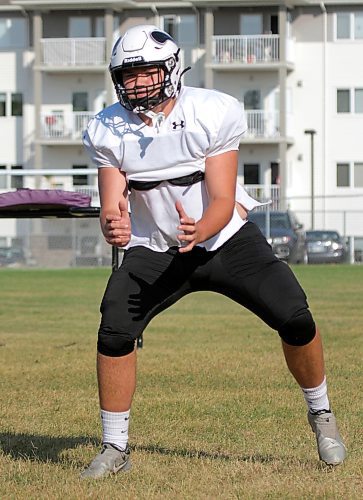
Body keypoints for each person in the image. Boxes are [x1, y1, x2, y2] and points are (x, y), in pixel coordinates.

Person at [81, 24, 346, 479]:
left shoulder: (212, 111)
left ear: (170, 69)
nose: (139, 83)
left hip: (224, 240)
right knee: (114, 329)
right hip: (158, 249)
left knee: (296, 317)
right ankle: (115, 445)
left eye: (146, 72)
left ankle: (321, 415)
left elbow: (222, 198)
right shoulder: (107, 127)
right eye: (129, 74)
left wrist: (199, 228)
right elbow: (113, 201)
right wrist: (113, 223)